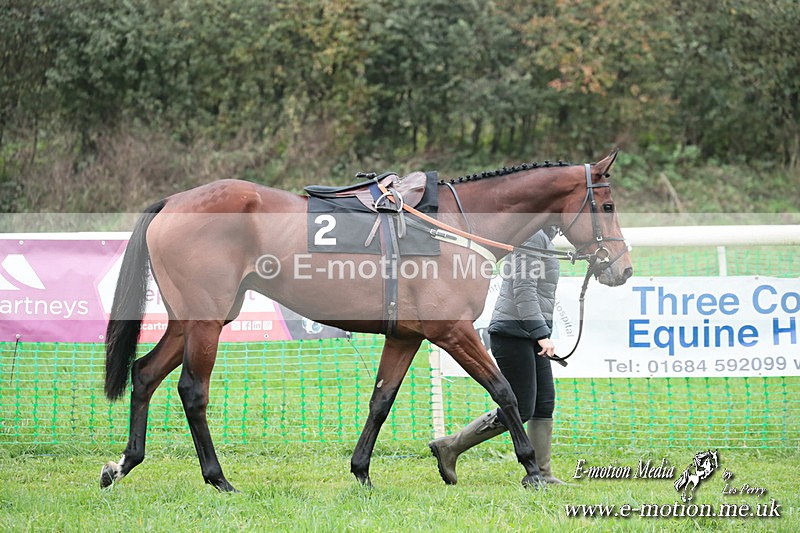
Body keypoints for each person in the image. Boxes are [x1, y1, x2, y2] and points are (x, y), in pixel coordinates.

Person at [429, 225, 565, 485]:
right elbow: (523, 290)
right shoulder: (532, 235)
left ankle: (543, 474)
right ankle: (450, 447)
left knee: (544, 403)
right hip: (513, 333)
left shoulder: (544, 237)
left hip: (529, 332)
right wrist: (541, 334)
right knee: (521, 408)